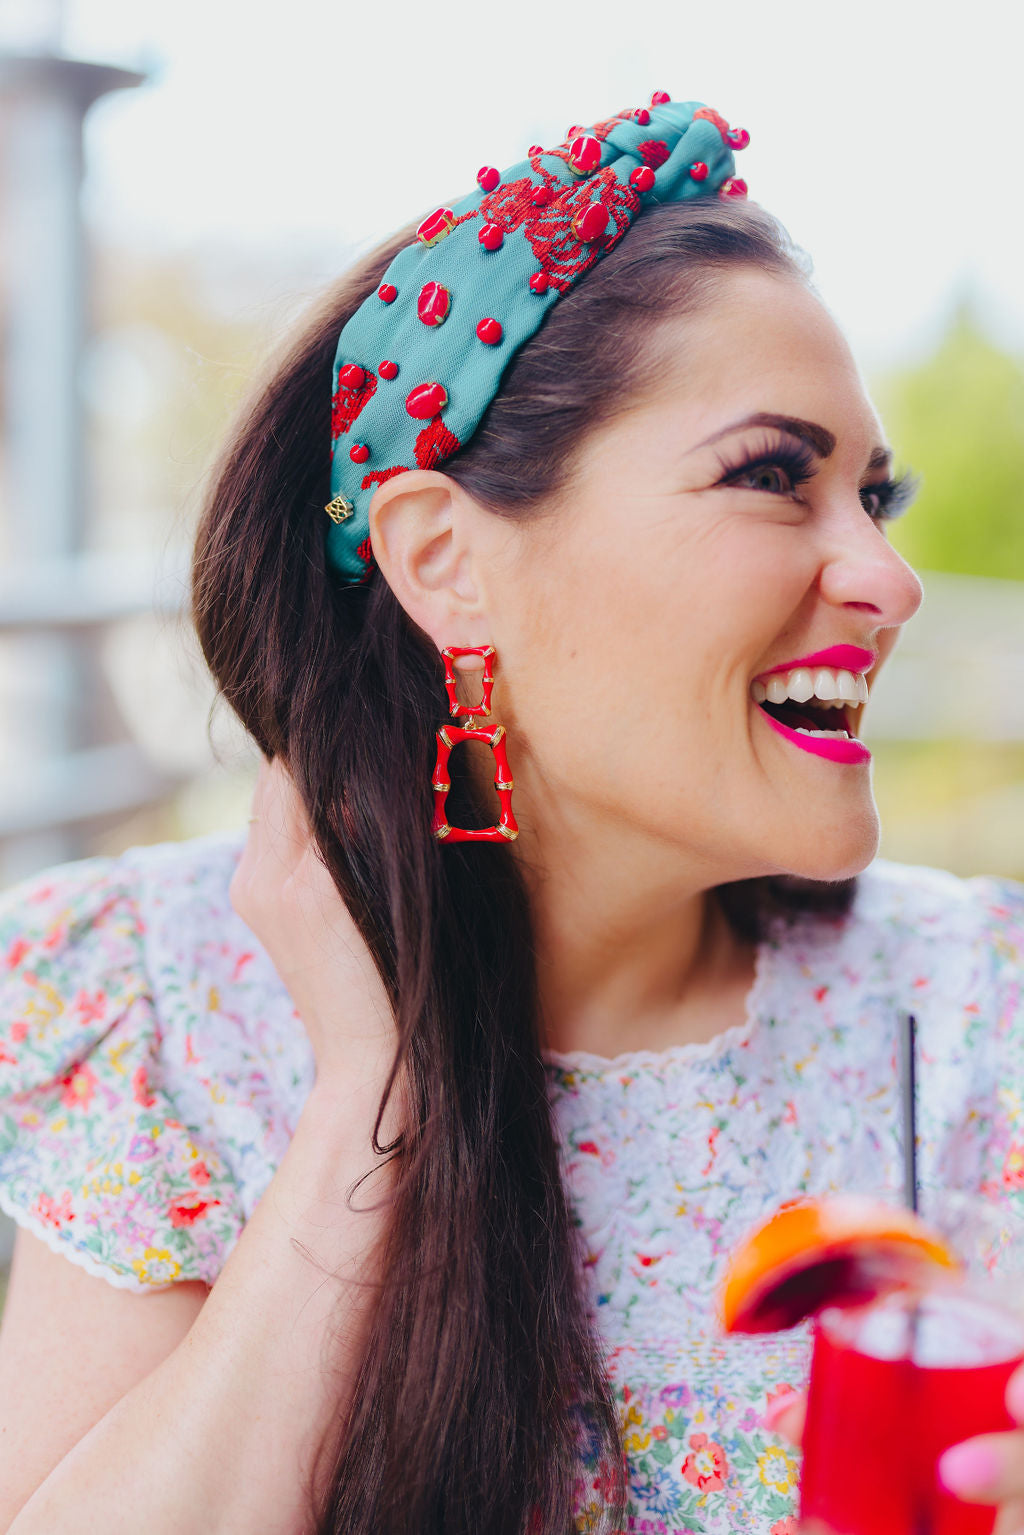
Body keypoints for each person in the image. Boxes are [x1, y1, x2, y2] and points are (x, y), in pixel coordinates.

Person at [0, 90, 1021, 1535]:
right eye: (773, 477)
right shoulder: (157, 1003)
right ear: (446, 562)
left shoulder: (980, 1012)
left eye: (876, 495)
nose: (889, 578)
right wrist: (375, 1090)